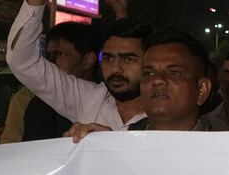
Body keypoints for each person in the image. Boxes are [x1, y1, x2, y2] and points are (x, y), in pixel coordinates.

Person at [9, 0, 148, 131]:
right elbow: (22, 61)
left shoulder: (170, 109)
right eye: (107, 58)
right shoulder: (88, 99)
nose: (115, 68)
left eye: (129, 59)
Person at [70, 28, 212, 137]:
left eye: (174, 73)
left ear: (202, 90)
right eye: (148, 73)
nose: (157, 80)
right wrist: (108, 147)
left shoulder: (225, 154)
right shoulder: (118, 142)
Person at [0, 20, 101, 144]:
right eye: (49, 54)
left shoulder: (110, 102)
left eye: (60, 54)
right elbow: (10, 150)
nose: (51, 61)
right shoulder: (26, 99)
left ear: (87, 60)